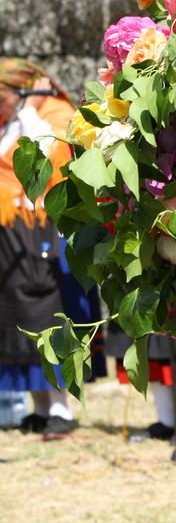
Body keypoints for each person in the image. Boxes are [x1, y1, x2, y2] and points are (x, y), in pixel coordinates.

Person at [0, 58, 80, 441]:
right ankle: (40, 408)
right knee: (17, 319)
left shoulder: (54, 114)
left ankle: (61, 408)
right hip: (11, 238)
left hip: (42, 232)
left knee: (44, 315)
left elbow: (50, 160)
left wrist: (29, 112)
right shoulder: (9, 120)